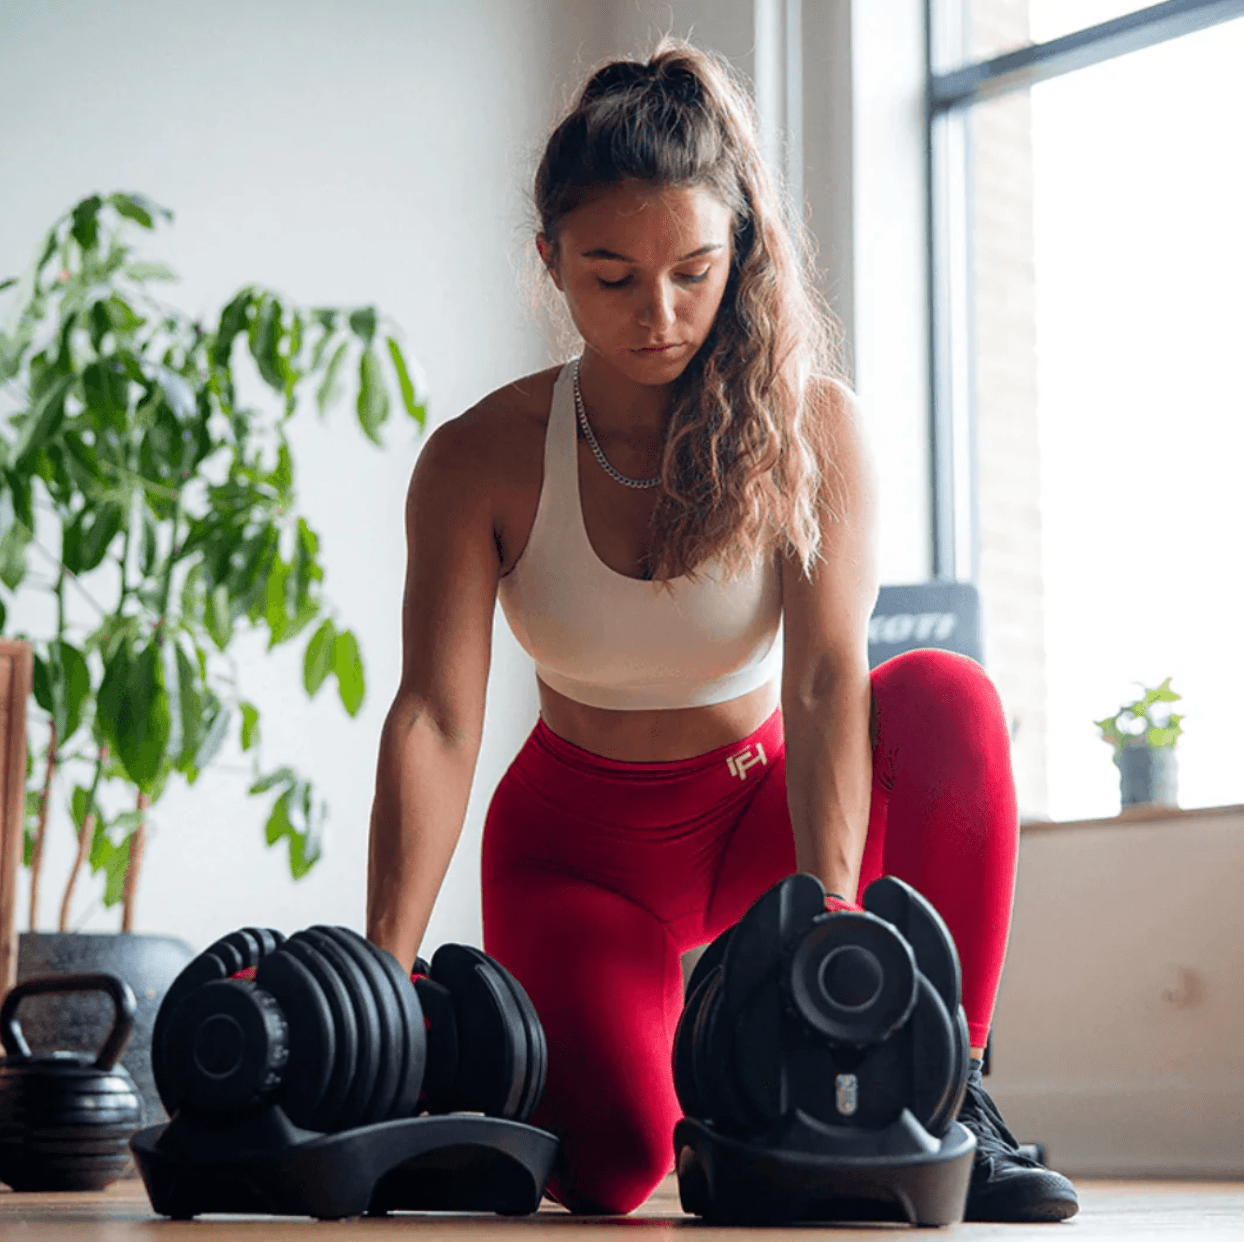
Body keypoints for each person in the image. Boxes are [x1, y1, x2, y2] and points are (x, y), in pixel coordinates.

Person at [366, 38, 1078, 1224]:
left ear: (737, 246)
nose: (659, 314)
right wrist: (379, 974)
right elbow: (437, 717)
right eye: (610, 276)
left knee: (941, 694)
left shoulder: (810, 426)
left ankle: (943, 1095)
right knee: (610, 1174)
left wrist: (836, 956)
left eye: (693, 270)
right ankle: (464, 1042)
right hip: (575, 849)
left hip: (758, 808)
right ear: (549, 261)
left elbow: (822, 685)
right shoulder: (477, 460)